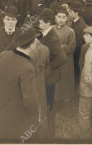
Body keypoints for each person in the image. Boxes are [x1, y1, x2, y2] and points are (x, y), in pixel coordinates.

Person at [0, 27, 40, 139]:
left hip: (1, 117)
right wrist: (36, 115)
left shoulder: (3, 55)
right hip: (18, 122)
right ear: (32, 44)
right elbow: (29, 100)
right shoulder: (27, 67)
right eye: (35, 40)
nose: (37, 42)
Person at [37, 8, 66, 137]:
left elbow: (62, 58)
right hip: (46, 77)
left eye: (41, 22)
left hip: (49, 79)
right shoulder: (45, 34)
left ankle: (49, 133)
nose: (39, 24)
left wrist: (46, 69)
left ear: (48, 23)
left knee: (48, 105)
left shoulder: (52, 37)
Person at [53, 7, 76, 103]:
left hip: (65, 61)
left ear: (66, 18)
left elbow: (72, 47)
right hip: (54, 60)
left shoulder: (70, 31)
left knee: (64, 79)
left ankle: (65, 97)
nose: (61, 19)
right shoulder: (51, 29)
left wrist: (59, 47)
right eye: (59, 17)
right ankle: (54, 96)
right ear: (55, 17)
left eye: (63, 17)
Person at [67, 1, 87, 87]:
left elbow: (77, 45)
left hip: (76, 56)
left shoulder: (80, 26)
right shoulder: (75, 22)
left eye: (71, 11)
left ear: (76, 12)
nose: (68, 12)